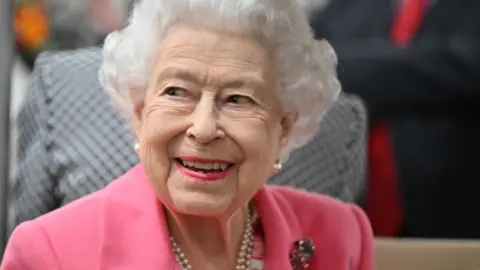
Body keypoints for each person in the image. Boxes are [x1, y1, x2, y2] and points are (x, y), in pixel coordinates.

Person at [2, 0, 374, 269]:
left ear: (283, 128)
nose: (203, 128)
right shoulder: (49, 252)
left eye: (237, 99)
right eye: (177, 92)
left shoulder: (341, 237)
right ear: (140, 112)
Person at [310, 0, 480, 238]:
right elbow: (301, 64)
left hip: (455, 219)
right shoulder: (346, 8)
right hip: (348, 218)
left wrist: (351, 69)